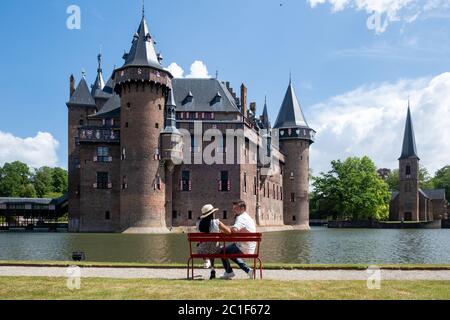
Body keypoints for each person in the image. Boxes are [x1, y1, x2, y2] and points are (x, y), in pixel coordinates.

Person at [218, 200, 256, 280]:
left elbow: (234, 230)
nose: (233, 210)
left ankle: (229, 272)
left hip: (243, 247)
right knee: (228, 251)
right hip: (248, 246)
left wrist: (224, 229)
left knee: (222, 251)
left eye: (235, 208)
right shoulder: (247, 217)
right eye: (233, 208)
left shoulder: (241, 218)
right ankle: (248, 271)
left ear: (242, 208)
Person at [196, 204, 222, 279]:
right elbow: (228, 232)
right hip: (215, 250)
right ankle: (213, 269)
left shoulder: (198, 223)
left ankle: (207, 260)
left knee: (202, 245)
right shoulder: (217, 222)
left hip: (202, 251)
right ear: (212, 214)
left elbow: (198, 236)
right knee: (213, 247)